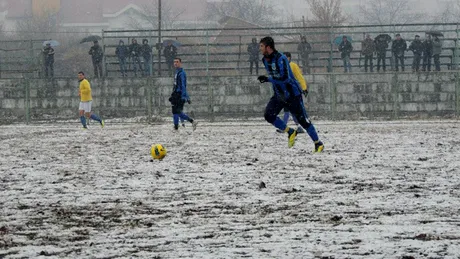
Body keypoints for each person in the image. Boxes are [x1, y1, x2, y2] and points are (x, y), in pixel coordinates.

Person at [257, 36, 324, 152]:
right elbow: (275, 77)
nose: (260, 49)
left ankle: (318, 143)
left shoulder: (281, 58)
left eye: (262, 46)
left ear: (268, 47)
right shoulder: (264, 60)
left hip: (292, 94)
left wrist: (268, 79)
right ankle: (290, 131)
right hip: (279, 95)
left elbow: (285, 78)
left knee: (303, 120)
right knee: (268, 115)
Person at [277, 52, 307, 134]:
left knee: (292, 110)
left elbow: (299, 76)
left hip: (293, 91)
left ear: (290, 58)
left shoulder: (293, 66)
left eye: (286, 57)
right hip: (285, 91)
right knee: (287, 109)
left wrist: (304, 88)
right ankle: (295, 126)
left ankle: (298, 126)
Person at [168, 58, 198, 131]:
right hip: (175, 94)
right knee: (175, 111)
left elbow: (183, 85)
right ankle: (176, 127)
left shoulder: (182, 73)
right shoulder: (177, 72)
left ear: (180, 63)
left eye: (177, 62)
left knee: (177, 111)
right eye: (174, 62)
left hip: (179, 94)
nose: (175, 63)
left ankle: (191, 121)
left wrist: (184, 96)